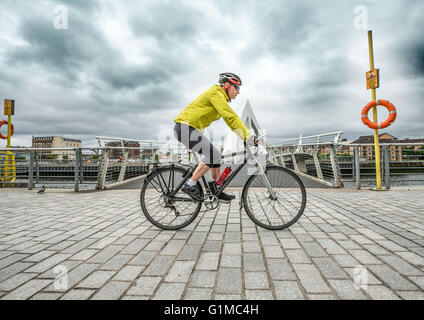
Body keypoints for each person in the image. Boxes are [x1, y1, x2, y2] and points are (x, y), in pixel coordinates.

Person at [173, 72, 256, 202]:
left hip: (190, 129)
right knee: (213, 154)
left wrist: (245, 136)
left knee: (215, 157)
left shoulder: (219, 96)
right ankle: (190, 184)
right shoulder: (215, 93)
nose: (238, 92)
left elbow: (230, 120)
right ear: (227, 85)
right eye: (237, 88)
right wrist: (248, 137)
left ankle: (216, 189)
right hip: (184, 128)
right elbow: (230, 117)